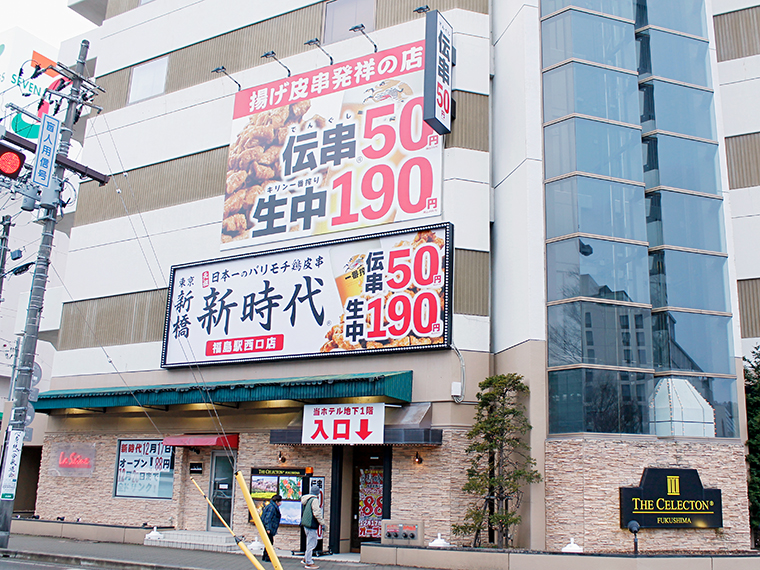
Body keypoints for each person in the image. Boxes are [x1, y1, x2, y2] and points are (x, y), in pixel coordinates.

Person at [300, 484, 324, 570]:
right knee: (312, 543)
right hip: (311, 524)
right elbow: (317, 513)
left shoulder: (306, 499)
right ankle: (309, 562)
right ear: (317, 493)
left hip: (305, 523)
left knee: (309, 542)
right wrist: (322, 523)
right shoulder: (314, 500)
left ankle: (306, 558)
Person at [260, 494, 282, 562]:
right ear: (277, 502)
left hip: (268, 527)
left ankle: (265, 556)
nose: (281, 503)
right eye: (280, 501)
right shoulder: (272, 508)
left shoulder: (271, 506)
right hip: (269, 528)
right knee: (270, 542)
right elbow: (268, 518)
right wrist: (268, 528)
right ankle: (267, 557)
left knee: (268, 542)